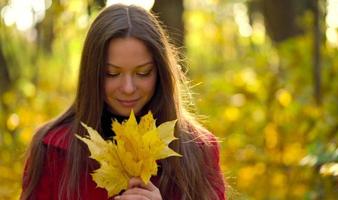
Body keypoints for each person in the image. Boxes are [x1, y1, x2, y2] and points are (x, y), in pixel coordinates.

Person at [21, 3, 226, 200]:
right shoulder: (51, 149)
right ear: (92, 74)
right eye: (111, 73)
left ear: (160, 72)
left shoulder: (199, 149)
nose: (128, 88)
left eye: (143, 72)